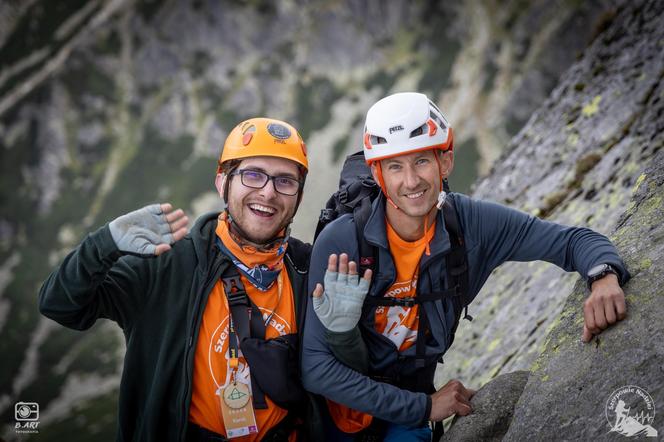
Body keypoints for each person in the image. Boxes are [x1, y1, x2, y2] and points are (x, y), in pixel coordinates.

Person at [301, 92, 630, 441]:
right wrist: (425, 409)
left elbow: (572, 241)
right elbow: (316, 368)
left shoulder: (470, 224)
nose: (411, 181)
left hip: (406, 414)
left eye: (422, 161)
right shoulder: (343, 241)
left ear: (445, 162)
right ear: (377, 174)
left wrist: (603, 277)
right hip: (340, 416)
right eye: (395, 166)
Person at [39, 118, 313, 441]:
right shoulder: (168, 265)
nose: (268, 192)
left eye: (285, 181)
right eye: (252, 175)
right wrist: (103, 244)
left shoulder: (307, 269)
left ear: (298, 195)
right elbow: (59, 304)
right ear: (222, 183)